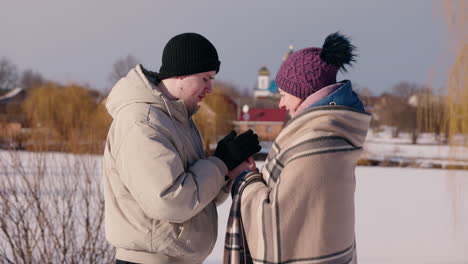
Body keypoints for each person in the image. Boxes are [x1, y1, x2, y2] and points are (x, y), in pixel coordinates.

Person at [103, 32, 261, 264]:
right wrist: (219, 164)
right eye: (205, 78)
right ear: (181, 74)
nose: (210, 88)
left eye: (212, 79)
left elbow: (195, 200)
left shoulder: (178, 119)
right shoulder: (142, 122)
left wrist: (226, 171)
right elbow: (170, 201)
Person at [224, 32, 371, 264]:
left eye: (283, 95)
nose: (281, 103)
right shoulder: (336, 132)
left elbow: (276, 223)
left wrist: (246, 178)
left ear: (304, 92)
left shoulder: (313, 141)